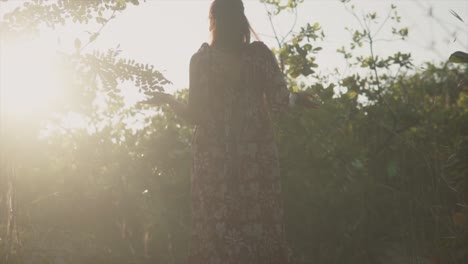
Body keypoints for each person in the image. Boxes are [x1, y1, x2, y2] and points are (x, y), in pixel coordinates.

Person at [141, 0, 318, 263]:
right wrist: (296, 98)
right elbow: (280, 105)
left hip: (213, 159)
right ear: (241, 18)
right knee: (260, 225)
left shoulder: (201, 61)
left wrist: (168, 99)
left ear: (213, 20)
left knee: (216, 227)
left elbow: (195, 115)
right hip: (255, 158)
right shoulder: (259, 56)